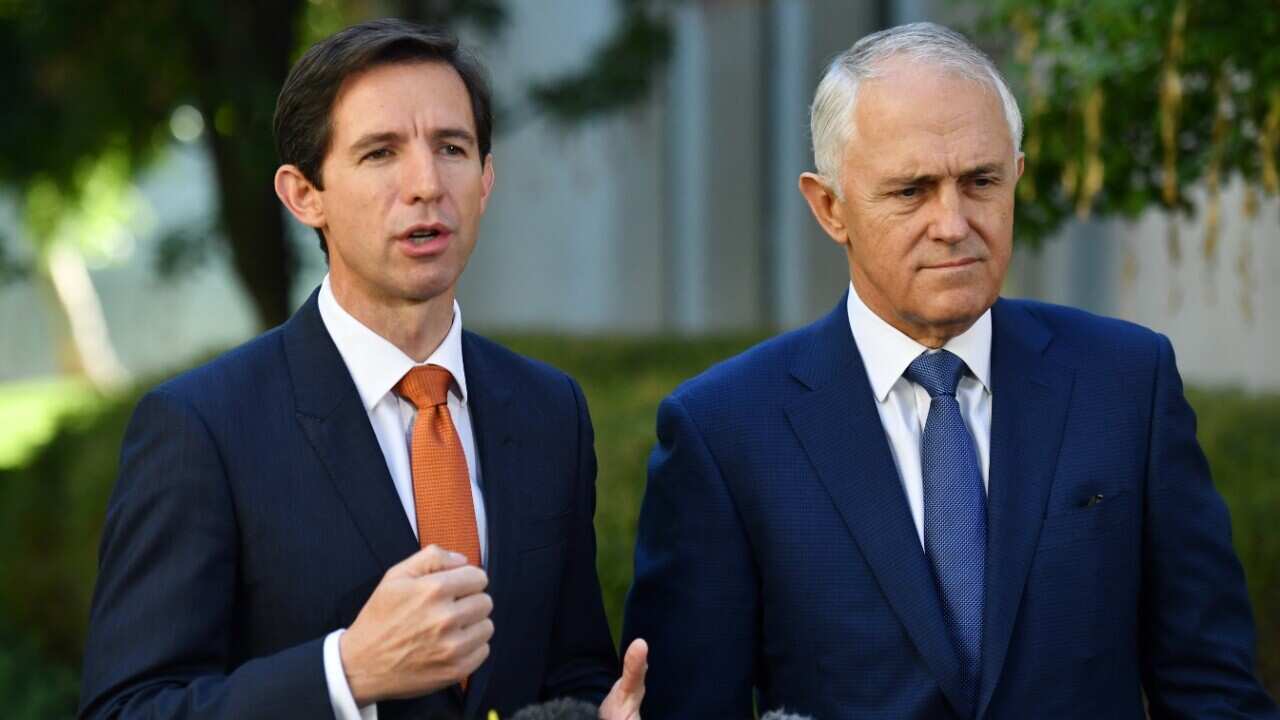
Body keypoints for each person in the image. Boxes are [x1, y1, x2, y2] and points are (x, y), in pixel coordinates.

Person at [622, 21, 1278, 719]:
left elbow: (1213, 692)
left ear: (1016, 177)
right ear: (829, 207)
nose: (954, 223)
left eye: (980, 181)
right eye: (911, 190)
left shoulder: (1125, 384)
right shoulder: (725, 431)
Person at [80, 19, 645, 720]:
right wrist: (344, 673)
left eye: (452, 148)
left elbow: (570, 668)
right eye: (380, 153)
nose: (426, 184)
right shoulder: (202, 429)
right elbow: (126, 708)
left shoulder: (550, 410)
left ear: (486, 179)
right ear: (303, 195)